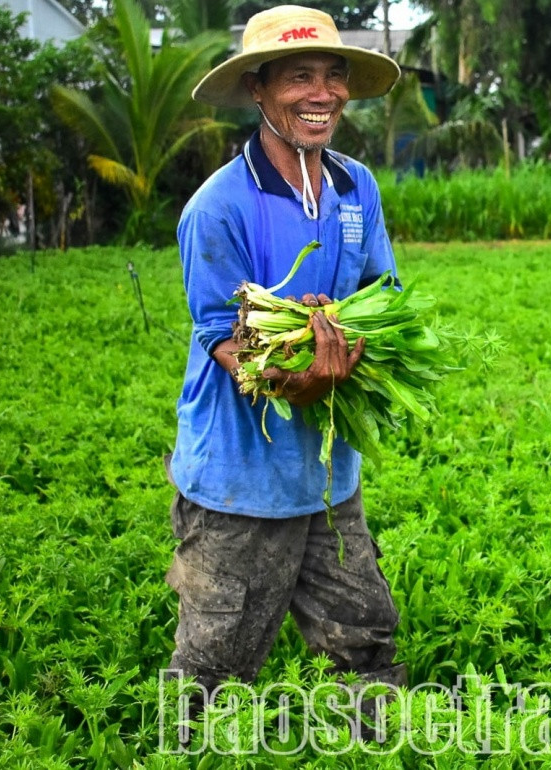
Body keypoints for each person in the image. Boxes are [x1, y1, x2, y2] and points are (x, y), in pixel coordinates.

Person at [165, 4, 406, 710]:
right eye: (301, 75)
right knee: (217, 659)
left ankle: (379, 749)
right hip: (240, 479)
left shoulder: (355, 185)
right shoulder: (219, 207)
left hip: (328, 473)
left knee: (364, 636)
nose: (323, 92)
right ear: (259, 90)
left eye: (334, 75)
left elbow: (382, 291)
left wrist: (359, 343)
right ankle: (191, 752)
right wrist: (282, 376)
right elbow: (222, 332)